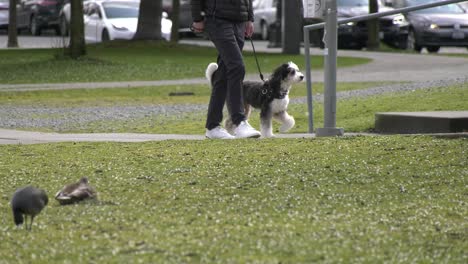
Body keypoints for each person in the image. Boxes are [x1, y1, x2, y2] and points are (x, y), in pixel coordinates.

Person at [191, 0, 261, 139]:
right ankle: (239, 122)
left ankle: (212, 127)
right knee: (237, 66)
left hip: (239, 21)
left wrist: (249, 18)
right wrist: (197, 18)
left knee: (223, 74)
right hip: (217, 19)